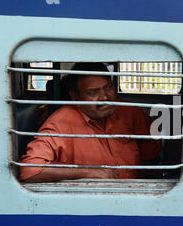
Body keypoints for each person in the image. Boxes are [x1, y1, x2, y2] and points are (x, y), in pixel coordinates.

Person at [19, 62, 162, 182]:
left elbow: (152, 151)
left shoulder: (128, 111)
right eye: (93, 92)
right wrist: (88, 173)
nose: (104, 97)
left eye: (108, 88)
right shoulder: (60, 123)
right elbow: (30, 171)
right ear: (75, 97)